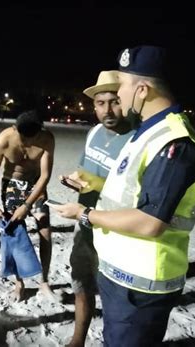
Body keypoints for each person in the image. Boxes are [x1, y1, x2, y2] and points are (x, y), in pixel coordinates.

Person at [52, 46, 195, 346]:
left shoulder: (173, 142)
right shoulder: (149, 132)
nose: (119, 96)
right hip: (121, 272)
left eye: (122, 86)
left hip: (142, 282)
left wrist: (84, 214)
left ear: (142, 90)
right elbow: (128, 192)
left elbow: (151, 221)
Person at [60, 71, 133, 347]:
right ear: (94, 107)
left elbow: (131, 192)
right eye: (101, 103)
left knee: (114, 296)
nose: (108, 110)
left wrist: (93, 188)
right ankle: (78, 339)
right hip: (85, 224)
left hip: (116, 229)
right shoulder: (93, 133)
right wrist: (75, 181)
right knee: (81, 282)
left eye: (114, 101)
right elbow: (85, 173)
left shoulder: (135, 138)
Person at [0, 110, 56, 302]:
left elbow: (45, 175)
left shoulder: (46, 139)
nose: (26, 143)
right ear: (15, 129)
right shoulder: (4, 140)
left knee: (45, 229)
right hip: (11, 184)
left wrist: (27, 205)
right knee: (15, 233)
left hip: (35, 185)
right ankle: (19, 283)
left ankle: (44, 281)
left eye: (31, 138)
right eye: (23, 138)